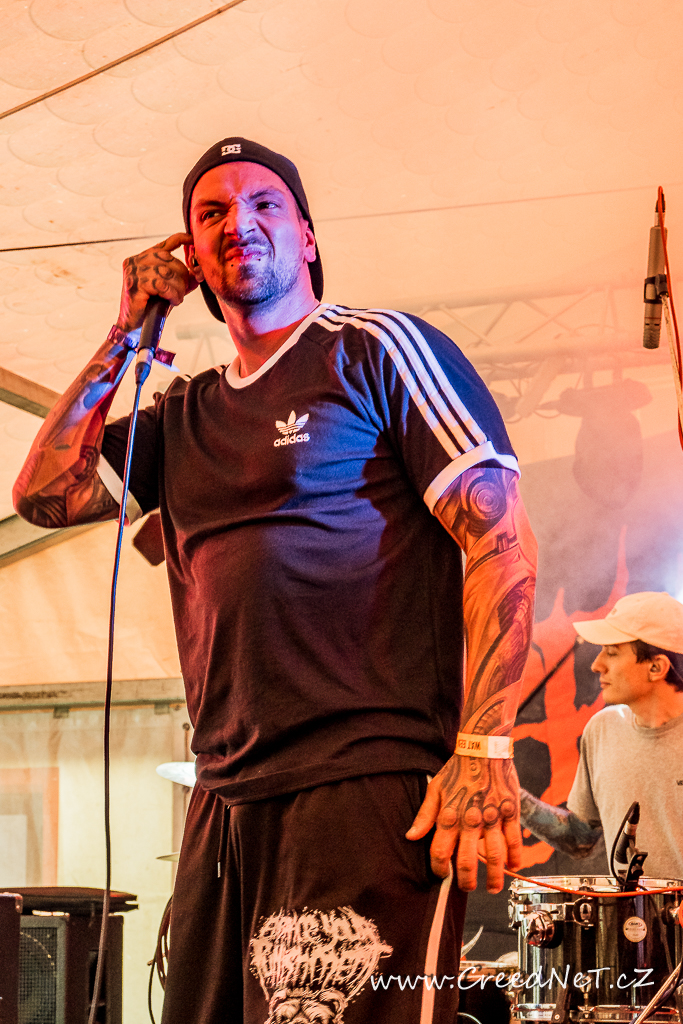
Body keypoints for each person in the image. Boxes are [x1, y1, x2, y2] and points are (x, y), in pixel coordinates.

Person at [13, 138, 537, 1024]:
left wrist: (483, 747)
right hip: (224, 797)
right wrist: (126, 329)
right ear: (189, 254)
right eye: (211, 212)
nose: (238, 222)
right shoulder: (183, 415)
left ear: (307, 237)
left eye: (264, 204)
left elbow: (499, 542)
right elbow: (43, 494)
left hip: (360, 780)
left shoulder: (373, 349)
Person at [520, 591, 683, 881]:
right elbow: (580, 839)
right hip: (632, 912)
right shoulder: (603, 729)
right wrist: (509, 796)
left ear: (656, 667)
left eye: (612, 652)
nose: (597, 664)